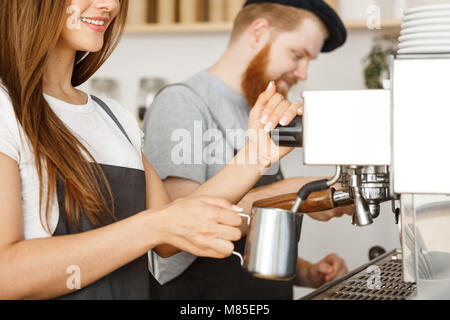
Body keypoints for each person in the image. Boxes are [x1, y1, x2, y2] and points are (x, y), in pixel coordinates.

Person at [0, 0, 301, 300]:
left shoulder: (114, 118)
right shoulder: (5, 108)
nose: (110, 5)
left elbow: (170, 234)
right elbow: (7, 275)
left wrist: (256, 155)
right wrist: (154, 226)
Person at [143, 0, 351, 300]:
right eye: (297, 55)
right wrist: (295, 193)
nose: (303, 73)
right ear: (258, 32)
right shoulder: (182, 103)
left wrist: (306, 272)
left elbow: (248, 235)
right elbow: (176, 233)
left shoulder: (259, 109)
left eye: (310, 61)